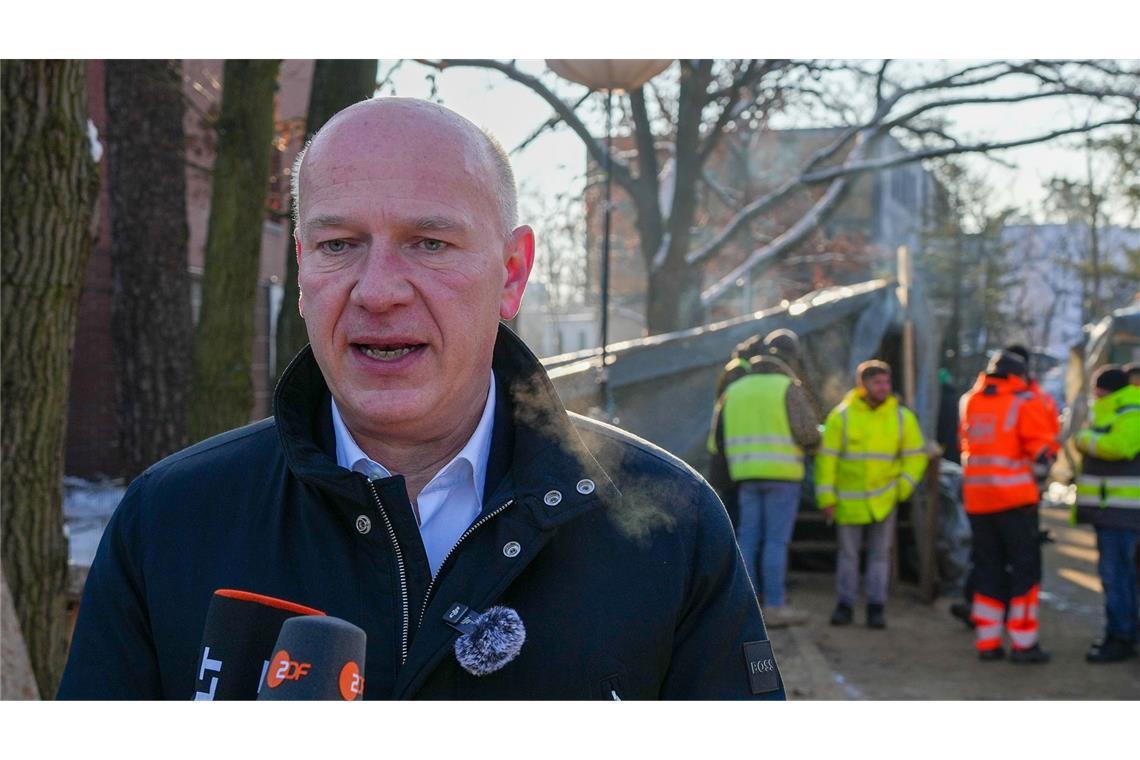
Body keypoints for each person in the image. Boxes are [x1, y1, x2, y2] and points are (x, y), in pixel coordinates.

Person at [58, 98, 784, 700]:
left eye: (429, 244)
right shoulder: (171, 521)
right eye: (339, 244)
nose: (377, 291)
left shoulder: (672, 526)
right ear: (303, 269)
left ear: (511, 273)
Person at [708, 331, 820, 627]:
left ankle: (744, 605)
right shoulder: (786, 387)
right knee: (775, 542)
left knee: (747, 538)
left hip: (745, 474)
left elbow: (718, 436)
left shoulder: (734, 389)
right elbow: (808, 432)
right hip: (783, 475)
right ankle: (774, 605)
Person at [959, 350, 1058, 663]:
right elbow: (1042, 452)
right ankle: (1023, 643)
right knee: (1024, 572)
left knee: (988, 569)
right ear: (1019, 375)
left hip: (978, 500)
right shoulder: (1024, 401)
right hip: (1015, 501)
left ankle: (987, 641)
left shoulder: (970, 401)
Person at [815, 360, 927, 629]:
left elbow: (915, 456)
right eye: (877, 382)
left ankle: (876, 607)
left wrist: (902, 488)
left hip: (884, 500)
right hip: (848, 501)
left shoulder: (902, 417)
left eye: (887, 382)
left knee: (880, 556)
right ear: (862, 385)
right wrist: (826, 498)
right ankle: (845, 605)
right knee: (849, 556)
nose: (884, 387)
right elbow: (826, 460)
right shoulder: (841, 417)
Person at [1073, 365, 1140, 663]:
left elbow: (1120, 447)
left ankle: (1120, 636)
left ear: (1103, 389)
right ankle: (1125, 632)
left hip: (1123, 514)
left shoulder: (1130, 411)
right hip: (1114, 513)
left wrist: (1083, 439)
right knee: (1121, 575)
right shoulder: (1113, 411)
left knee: (1117, 575)